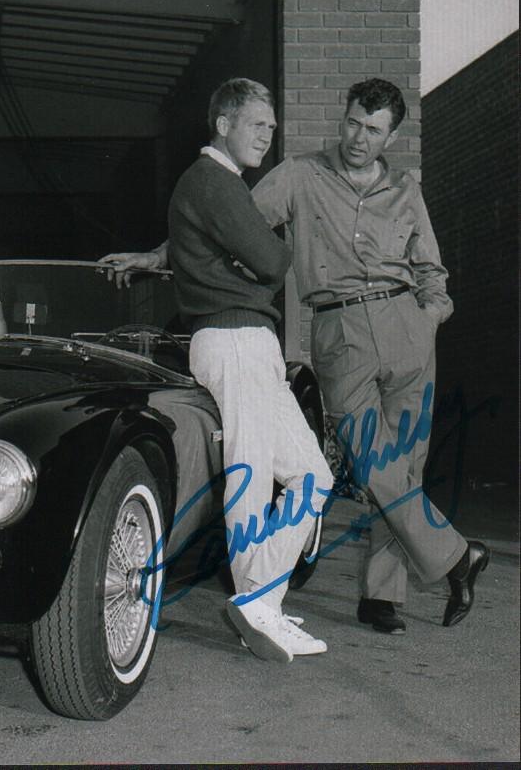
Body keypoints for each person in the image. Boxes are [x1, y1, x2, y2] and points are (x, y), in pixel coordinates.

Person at [102, 78, 488, 635]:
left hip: (406, 325)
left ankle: (382, 595)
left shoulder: (406, 188)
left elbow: (431, 268)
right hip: (340, 329)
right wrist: (157, 255)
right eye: (352, 123)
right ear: (343, 118)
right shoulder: (300, 175)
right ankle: (456, 557)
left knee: (405, 463)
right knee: (373, 462)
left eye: (373, 130)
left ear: (391, 137)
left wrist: (429, 316)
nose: (359, 138)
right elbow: (225, 224)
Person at [126, 77, 335, 662]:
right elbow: (272, 261)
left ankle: (259, 599)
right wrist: (255, 262)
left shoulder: (220, 185)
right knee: (254, 470)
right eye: (256, 125)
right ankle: (258, 601)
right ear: (223, 124)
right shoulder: (213, 180)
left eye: (271, 127)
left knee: (312, 475)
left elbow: (254, 265)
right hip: (234, 338)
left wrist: (244, 266)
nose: (267, 136)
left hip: (246, 338)